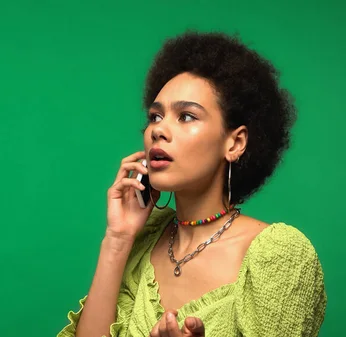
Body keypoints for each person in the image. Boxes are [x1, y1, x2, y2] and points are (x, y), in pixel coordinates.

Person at [56, 30, 327, 337]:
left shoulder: (279, 254)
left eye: (186, 116)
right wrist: (117, 240)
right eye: (155, 116)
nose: (159, 130)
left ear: (235, 143)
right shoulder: (143, 241)